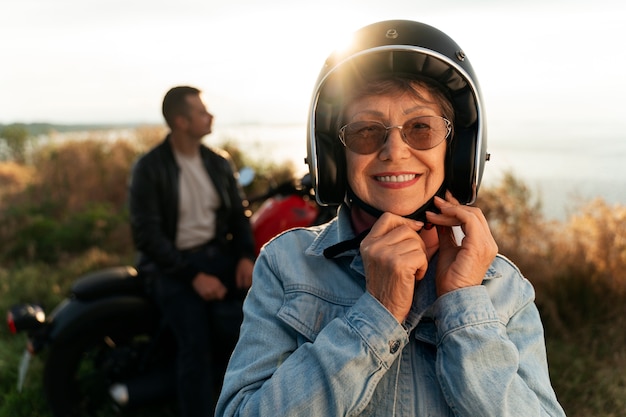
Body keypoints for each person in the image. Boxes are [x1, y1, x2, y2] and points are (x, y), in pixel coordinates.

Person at [215, 20, 566, 416]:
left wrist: (463, 304)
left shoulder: (503, 287)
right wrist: (376, 314)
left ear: (458, 151)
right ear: (333, 157)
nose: (394, 151)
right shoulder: (287, 263)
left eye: (420, 128)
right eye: (366, 131)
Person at [128, 86, 255, 417]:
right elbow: (148, 236)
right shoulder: (149, 168)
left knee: (261, 318)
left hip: (218, 255)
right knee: (194, 344)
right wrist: (193, 276)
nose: (209, 116)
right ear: (181, 121)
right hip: (171, 266)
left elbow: (239, 215)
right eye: (202, 112)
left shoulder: (218, 162)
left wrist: (245, 256)